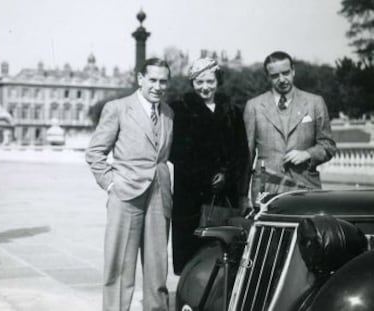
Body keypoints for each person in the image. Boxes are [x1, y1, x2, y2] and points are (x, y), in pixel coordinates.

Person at [85, 58, 173, 311]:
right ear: (140, 79)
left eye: (163, 81)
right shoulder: (118, 108)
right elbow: (95, 152)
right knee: (120, 264)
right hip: (125, 195)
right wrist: (111, 185)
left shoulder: (168, 113)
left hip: (159, 195)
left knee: (157, 268)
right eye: (153, 80)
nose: (157, 86)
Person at [170, 57, 250, 275]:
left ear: (218, 81)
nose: (205, 87)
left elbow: (241, 152)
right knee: (192, 254)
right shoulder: (180, 109)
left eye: (210, 81)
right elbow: (176, 152)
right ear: (192, 83)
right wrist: (207, 176)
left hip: (225, 194)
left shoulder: (232, 111)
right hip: (191, 196)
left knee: (223, 253)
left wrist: (227, 176)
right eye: (199, 82)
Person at [244, 51, 336, 203]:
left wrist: (307, 154)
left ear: (293, 71)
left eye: (285, 73)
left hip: (306, 188)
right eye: (275, 76)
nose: (281, 79)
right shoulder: (254, 106)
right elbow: (246, 156)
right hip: (266, 191)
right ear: (268, 77)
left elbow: (329, 145)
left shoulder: (315, 103)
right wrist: (242, 196)